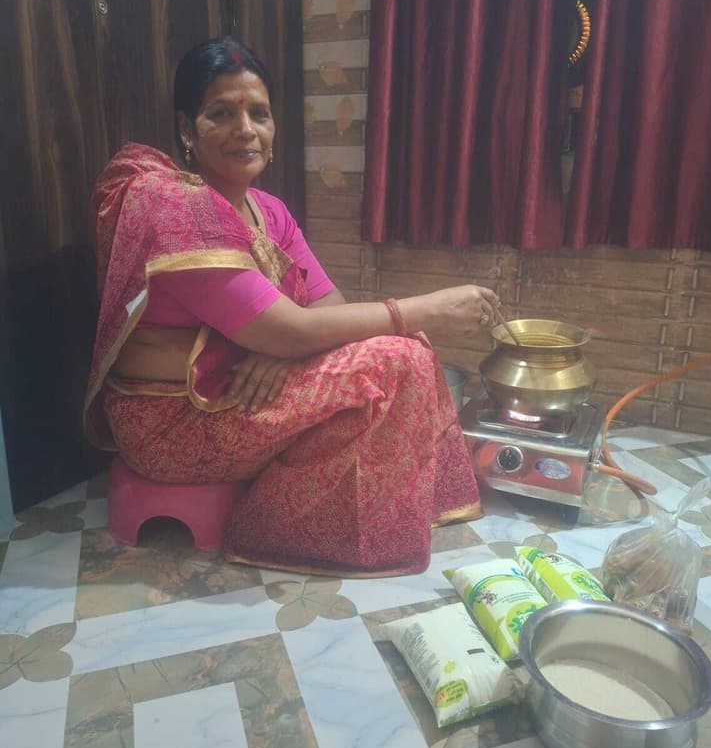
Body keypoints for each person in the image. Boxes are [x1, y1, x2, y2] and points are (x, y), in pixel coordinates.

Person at [85, 37, 502, 576]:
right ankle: (284, 529)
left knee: (405, 346)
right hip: (175, 422)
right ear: (187, 130)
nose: (246, 130)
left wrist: (283, 351)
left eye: (259, 114)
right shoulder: (179, 211)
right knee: (397, 357)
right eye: (221, 113)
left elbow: (327, 306)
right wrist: (427, 308)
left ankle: (349, 515)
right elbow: (293, 329)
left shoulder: (268, 210)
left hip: (237, 394)